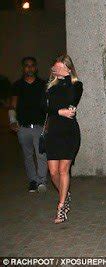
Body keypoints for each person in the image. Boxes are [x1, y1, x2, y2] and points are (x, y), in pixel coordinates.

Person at [44, 54, 83, 224]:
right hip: (53, 132)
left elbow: (72, 100)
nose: (57, 70)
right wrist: (59, 112)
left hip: (69, 132)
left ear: (68, 68)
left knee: (63, 170)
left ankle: (61, 207)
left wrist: (66, 78)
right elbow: (44, 107)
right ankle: (65, 195)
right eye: (55, 67)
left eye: (60, 67)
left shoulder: (76, 85)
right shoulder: (49, 87)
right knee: (53, 172)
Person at [9, 57, 47, 193]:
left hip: (39, 126)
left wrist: (48, 123)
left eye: (32, 66)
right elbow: (13, 105)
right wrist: (12, 120)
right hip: (23, 127)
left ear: (36, 68)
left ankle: (42, 181)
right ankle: (33, 181)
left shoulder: (43, 84)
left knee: (41, 154)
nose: (29, 68)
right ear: (23, 68)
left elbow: (49, 105)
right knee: (27, 155)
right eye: (26, 66)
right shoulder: (17, 85)